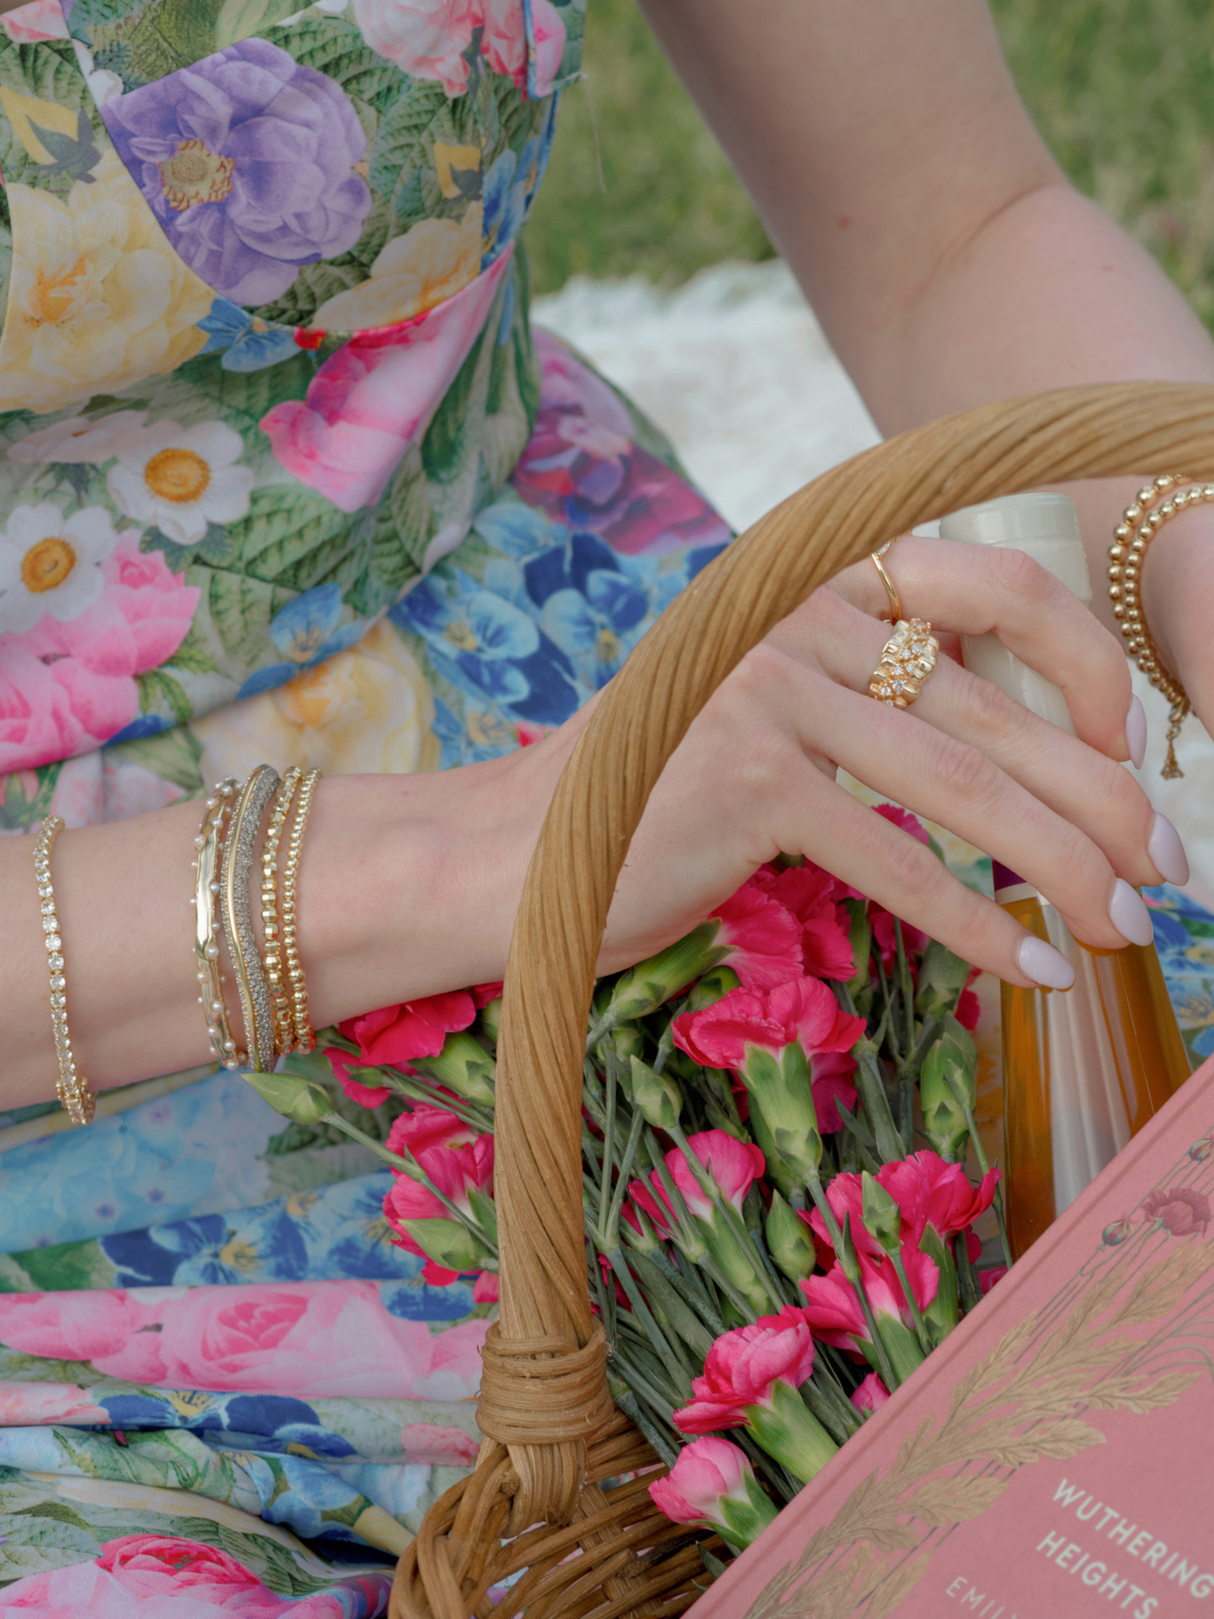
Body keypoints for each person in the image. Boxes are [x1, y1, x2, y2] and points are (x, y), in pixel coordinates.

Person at [0, 0, 1207, 1607]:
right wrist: (487, 848)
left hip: (697, 788)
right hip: (92, 1104)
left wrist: (1186, 550)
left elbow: (952, 223)